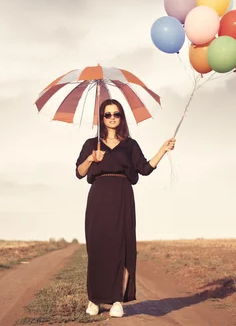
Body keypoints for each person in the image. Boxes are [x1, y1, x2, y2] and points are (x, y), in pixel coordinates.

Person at [75, 98, 176, 318]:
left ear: (121, 117)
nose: (112, 118)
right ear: (101, 118)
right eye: (107, 114)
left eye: (116, 114)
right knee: (98, 248)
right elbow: (80, 172)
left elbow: (145, 169)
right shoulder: (91, 144)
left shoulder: (130, 145)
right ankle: (94, 299)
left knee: (121, 246)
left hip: (122, 196)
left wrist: (162, 150)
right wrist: (92, 158)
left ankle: (117, 300)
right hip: (98, 198)